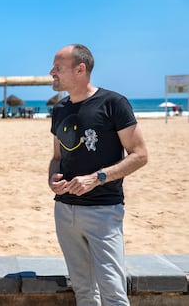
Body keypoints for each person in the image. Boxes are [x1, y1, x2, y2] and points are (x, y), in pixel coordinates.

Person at [48, 44, 148, 305]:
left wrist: (98, 177)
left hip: (103, 212)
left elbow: (139, 155)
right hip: (64, 212)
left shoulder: (114, 103)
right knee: (83, 292)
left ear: (80, 69)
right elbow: (57, 157)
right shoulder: (59, 109)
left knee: (113, 292)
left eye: (58, 68)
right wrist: (52, 178)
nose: (51, 73)